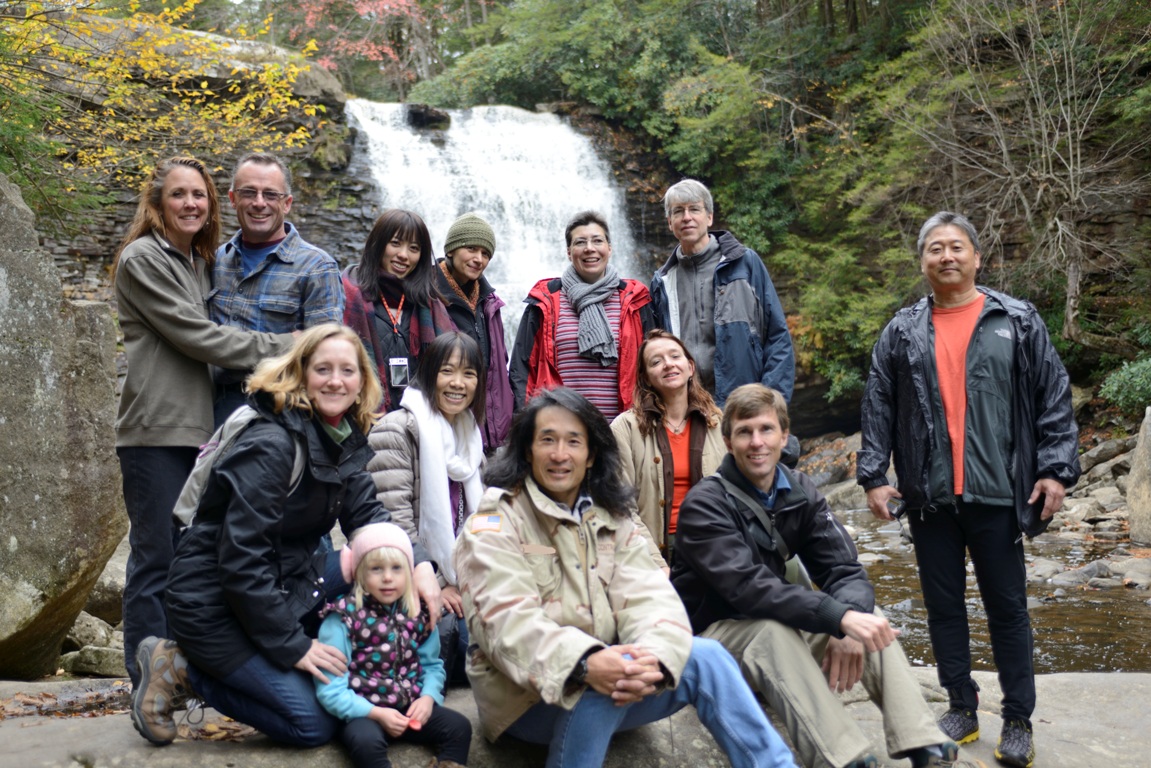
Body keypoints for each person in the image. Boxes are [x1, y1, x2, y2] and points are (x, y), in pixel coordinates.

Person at [129, 324, 442, 749]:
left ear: (362, 381)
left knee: (374, 569)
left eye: (347, 370)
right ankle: (184, 667)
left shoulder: (340, 435)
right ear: (300, 373)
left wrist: (419, 562)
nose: (336, 380)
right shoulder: (272, 444)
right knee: (313, 724)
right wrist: (294, 647)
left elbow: (368, 515)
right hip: (214, 605)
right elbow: (241, 562)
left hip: (283, 583)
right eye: (323, 369)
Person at [454, 387, 798, 768]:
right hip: (526, 698)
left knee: (708, 657)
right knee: (600, 684)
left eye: (573, 441)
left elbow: (651, 597)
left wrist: (651, 657)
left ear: (591, 455)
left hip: (616, 671)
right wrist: (586, 663)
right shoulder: (493, 524)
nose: (559, 454)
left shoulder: (613, 516)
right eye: (547, 440)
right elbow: (504, 622)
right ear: (527, 450)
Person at [857, 211, 1081, 768]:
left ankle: (1019, 719)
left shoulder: (1018, 319)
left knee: (1007, 608)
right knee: (943, 607)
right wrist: (873, 477)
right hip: (929, 495)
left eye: (957, 247)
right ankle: (960, 706)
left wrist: (1055, 470)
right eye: (935, 249)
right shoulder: (902, 331)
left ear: (977, 257)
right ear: (923, 261)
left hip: (1000, 493)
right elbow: (879, 403)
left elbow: (1053, 396)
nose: (947, 257)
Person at [672, 384, 959, 768]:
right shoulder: (704, 505)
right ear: (728, 441)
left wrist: (849, 621)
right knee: (773, 633)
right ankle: (843, 758)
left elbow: (844, 569)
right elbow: (749, 590)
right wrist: (836, 617)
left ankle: (924, 745)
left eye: (766, 430)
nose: (757, 442)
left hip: (773, 626)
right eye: (744, 432)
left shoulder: (800, 489)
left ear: (784, 436)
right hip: (708, 641)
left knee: (870, 622)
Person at [113, 155, 293, 687]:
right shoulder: (142, 259)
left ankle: (185, 675)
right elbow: (200, 337)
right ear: (156, 203)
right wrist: (292, 347)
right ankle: (146, 679)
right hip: (157, 430)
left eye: (199, 195)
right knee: (157, 559)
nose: (191, 203)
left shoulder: (198, 260)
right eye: (178, 194)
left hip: (201, 431)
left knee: (194, 560)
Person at [367, 332, 487, 684]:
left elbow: (482, 522)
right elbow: (391, 526)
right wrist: (438, 580)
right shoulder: (396, 430)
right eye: (447, 370)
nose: (457, 383)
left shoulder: (470, 437)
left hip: (465, 584)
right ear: (428, 372)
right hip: (412, 584)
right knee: (486, 651)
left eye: (469, 373)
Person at [316, 522, 471, 768]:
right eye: (376, 568)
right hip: (363, 711)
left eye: (397, 568)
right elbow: (331, 690)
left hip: (408, 707)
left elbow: (432, 665)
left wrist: (428, 698)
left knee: (459, 727)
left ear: (410, 572)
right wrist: (375, 713)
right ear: (358, 573)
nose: (388, 577)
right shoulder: (342, 618)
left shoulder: (416, 612)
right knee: (365, 742)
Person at [210, 152, 344, 426]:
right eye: (249, 192)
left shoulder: (317, 267)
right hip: (211, 409)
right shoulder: (218, 261)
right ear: (233, 198)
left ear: (287, 203)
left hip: (280, 414)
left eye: (271, 194)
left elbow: (327, 354)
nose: (259, 203)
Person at [649, 179, 794, 406]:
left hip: (744, 401)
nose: (686, 217)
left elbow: (778, 337)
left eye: (694, 209)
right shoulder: (662, 282)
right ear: (670, 222)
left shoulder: (745, 264)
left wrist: (772, 401)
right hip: (686, 406)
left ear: (709, 217)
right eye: (678, 211)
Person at [510, 211, 655, 420]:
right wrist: (525, 423)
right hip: (560, 431)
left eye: (597, 240)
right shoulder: (544, 301)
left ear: (609, 248)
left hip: (624, 430)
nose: (589, 248)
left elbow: (653, 364)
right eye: (580, 242)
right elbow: (521, 369)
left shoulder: (636, 301)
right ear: (569, 252)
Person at [610, 330, 724, 564]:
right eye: (656, 361)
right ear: (645, 378)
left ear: (690, 367)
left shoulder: (718, 423)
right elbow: (620, 507)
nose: (668, 364)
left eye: (675, 356)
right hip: (652, 549)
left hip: (717, 544)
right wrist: (655, 563)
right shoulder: (625, 429)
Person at [344, 209, 454, 413]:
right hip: (363, 416)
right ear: (378, 244)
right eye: (395, 243)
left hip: (419, 420)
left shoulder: (428, 303)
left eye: (414, 248)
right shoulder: (348, 295)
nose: (404, 255)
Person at [433, 212, 513, 450]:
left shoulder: (490, 302)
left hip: (490, 429)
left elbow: (500, 364)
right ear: (451, 250)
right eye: (471, 249)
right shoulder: (427, 296)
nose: (479, 259)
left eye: (486, 253)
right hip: (446, 424)